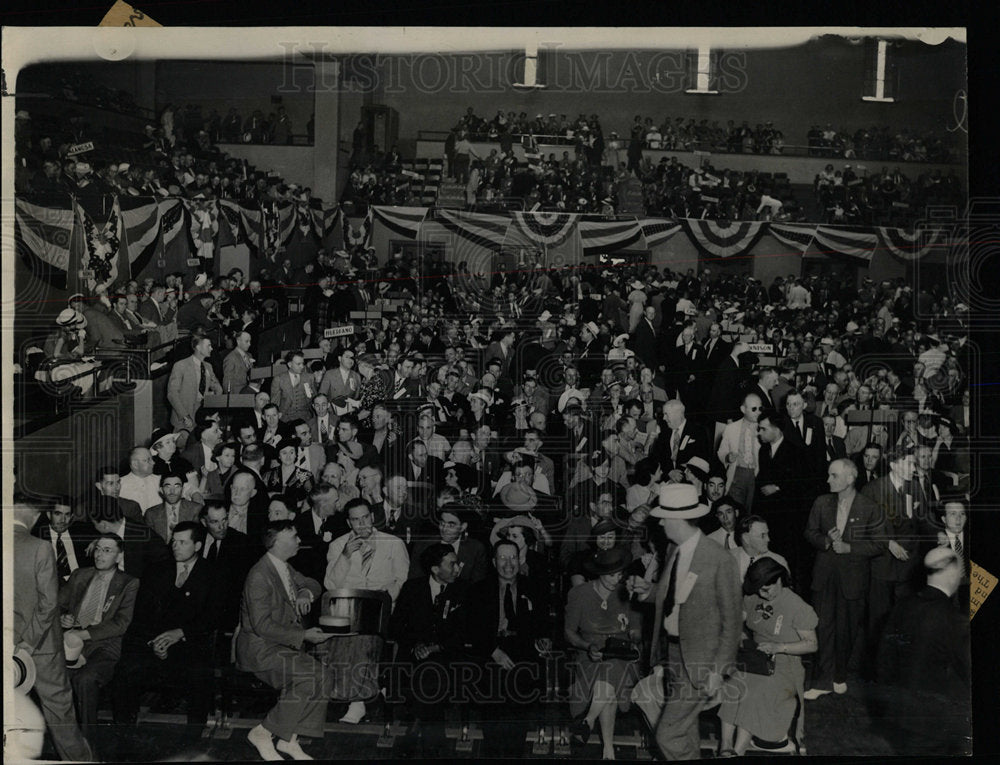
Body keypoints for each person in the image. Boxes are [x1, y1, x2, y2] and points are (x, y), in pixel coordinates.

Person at [628, 484, 742, 761]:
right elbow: (673, 595)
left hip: (701, 662)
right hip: (673, 655)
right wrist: (647, 591)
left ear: (678, 519)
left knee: (667, 733)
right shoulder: (674, 550)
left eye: (664, 517)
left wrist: (718, 670)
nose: (661, 522)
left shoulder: (719, 559)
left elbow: (732, 621)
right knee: (686, 731)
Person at [237, 520, 336, 761]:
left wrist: (305, 592)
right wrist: (303, 635)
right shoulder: (259, 575)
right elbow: (261, 626)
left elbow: (313, 583)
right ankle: (263, 732)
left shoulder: (283, 567)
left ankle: (288, 739)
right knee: (307, 677)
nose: (299, 541)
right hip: (260, 649)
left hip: (279, 646)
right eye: (294, 537)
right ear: (276, 543)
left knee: (324, 675)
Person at [113, 522, 219, 728]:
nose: (175, 546)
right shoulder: (156, 570)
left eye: (182, 542)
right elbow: (142, 614)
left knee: (199, 674)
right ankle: (124, 733)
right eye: (174, 541)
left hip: (190, 643)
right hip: (154, 641)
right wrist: (155, 642)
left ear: (197, 546)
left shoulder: (212, 573)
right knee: (125, 670)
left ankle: (193, 740)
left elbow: (213, 616)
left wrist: (181, 633)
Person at [13, 499, 95, 762]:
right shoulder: (39, 547)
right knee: (59, 710)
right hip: (41, 647)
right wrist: (28, 643)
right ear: (36, 514)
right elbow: (48, 603)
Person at [873, 547, 971, 755]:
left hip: (899, 716)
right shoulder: (952, 618)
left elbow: (883, 662)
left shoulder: (902, 607)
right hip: (933, 725)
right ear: (951, 573)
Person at [717, 558, 818, 756]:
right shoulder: (755, 596)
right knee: (732, 685)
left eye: (767, 589)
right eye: (759, 590)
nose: (763, 594)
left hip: (784, 665)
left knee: (753, 690)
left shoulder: (797, 606)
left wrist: (779, 647)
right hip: (755, 658)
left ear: (780, 579)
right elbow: (738, 618)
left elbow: (812, 644)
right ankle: (725, 746)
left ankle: (738, 751)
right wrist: (739, 635)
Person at [324, 498, 409, 724]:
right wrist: (344, 556)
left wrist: (384, 598)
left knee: (363, 635)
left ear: (372, 517)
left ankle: (357, 699)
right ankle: (361, 695)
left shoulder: (393, 543)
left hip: (383, 607)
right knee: (340, 639)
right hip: (347, 609)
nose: (361, 524)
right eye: (355, 520)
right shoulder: (338, 545)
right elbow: (331, 585)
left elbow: (402, 580)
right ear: (348, 522)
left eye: (365, 518)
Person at [803, 458, 883, 698]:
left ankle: (839, 674)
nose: (828, 480)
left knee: (846, 629)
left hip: (853, 578)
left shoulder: (870, 507)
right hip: (824, 575)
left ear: (850, 478)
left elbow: (879, 544)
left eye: (833, 475)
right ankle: (821, 680)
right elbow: (809, 532)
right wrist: (826, 541)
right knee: (823, 627)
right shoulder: (821, 502)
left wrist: (850, 548)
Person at [465, 539, 552, 757]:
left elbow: (545, 625)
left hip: (523, 652)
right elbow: (471, 630)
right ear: (494, 562)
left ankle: (515, 751)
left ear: (520, 559)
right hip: (491, 651)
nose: (508, 563)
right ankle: (493, 750)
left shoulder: (534, 588)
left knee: (519, 686)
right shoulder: (478, 590)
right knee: (493, 695)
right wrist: (494, 651)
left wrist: (545, 640)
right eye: (502, 558)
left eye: (513, 557)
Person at [389, 543, 472, 756]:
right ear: (435, 569)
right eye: (452, 564)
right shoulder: (412, 588)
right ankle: (432, 737)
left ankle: (417, 726)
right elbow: (396, 627)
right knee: (427, 674)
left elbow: (466, 631)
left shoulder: (464, 590)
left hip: (448, 654)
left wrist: (435, 647)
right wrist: (416, 645)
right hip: (414, 655)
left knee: (433, 671)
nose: (457, 569)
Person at [58, 532, 139, 746]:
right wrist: (63, 618)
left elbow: (121, 623)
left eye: (107, 550)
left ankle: (87, 744)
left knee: (85, 679)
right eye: (98, 549)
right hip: (71, 642)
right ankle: (63, 739)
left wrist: (81, 634)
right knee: (53, 675)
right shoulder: (79, 575)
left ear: (119, 556)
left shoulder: (128, 583)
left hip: (104, 646)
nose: (99, 555)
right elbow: (59, 605)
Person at [564, 547, 643, 760]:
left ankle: (588, 721)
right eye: (611, 575)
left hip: (623, 655)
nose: (617, 579)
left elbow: (637, 632)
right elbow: (569, 632)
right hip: (590, 654)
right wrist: (587, 646)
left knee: (613, 666)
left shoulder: (628, 592)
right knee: (608, 683)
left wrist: (630, 632)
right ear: (599, 572)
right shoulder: (579, 594)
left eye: (620, 574)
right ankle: (608, 750)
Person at [167, 334, 222, 430]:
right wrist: (185, 416)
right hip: (184, 419)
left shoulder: (208, 366)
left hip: (202, 416)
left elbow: (217, 387)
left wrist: (213, 403)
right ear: (198, 347)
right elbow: (172, 394)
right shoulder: (180, 365)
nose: (211, 348)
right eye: (208, 345)